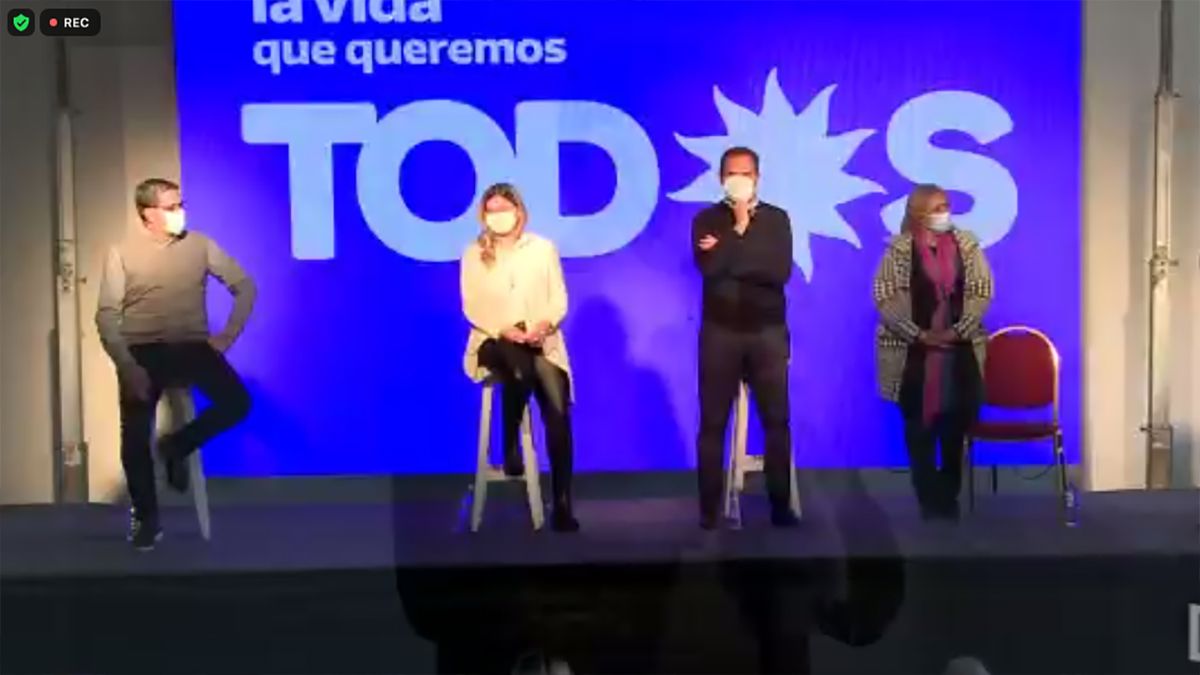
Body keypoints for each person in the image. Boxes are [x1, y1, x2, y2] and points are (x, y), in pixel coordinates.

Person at [96, 178, 256, 550]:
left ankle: (177, 446)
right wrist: (126, 365)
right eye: (170, 207)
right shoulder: (122, 252)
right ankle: (147, 520)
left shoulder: (199, 245)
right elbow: (106, 315)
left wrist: (226, 338)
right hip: (143, 352)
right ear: (147, 214)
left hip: (191, 347)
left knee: (238, 403)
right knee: (135, 435)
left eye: (180, 205)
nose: (179, 212)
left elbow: (245, 286)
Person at [460, 183, 579, 532]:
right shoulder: (475, 253)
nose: (499, 216)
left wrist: (544, 325)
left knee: (557, 404)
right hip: (494, 338)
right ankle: (510, 444)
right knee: (518, 369)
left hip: (540, 340)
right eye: (492, 210)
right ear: (484, 216)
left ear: (519, 211)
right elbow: (472, 305)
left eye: (504, 208)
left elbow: (558, 298)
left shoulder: (543, 249)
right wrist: (505, 329)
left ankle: (562, 503)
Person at [691, 147, 798, 529]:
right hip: (720, 333)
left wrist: (730, 252)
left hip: (767, 333)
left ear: (758, 177)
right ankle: (708, 511)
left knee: (776, 421)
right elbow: (711, 270)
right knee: (712, 422)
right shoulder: (707, 220)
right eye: (733, 173)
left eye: (747, 173)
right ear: (721, 178)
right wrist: (738, 228)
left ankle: (780, 507)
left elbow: (777, 271)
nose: (740, 179)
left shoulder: (776, 220)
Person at [873, 184, 993, 520]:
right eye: (937, 207)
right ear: (919, 212)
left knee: (955, 429)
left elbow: (981, 290)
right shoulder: (898, 250)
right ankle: (928, 500)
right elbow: (884, 296)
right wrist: (919, 334)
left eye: (946, 206)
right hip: (912, 356)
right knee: (919, 431)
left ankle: (949, 496)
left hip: (960, 353)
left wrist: (959, 330)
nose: (945, 213)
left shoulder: (967, 245)